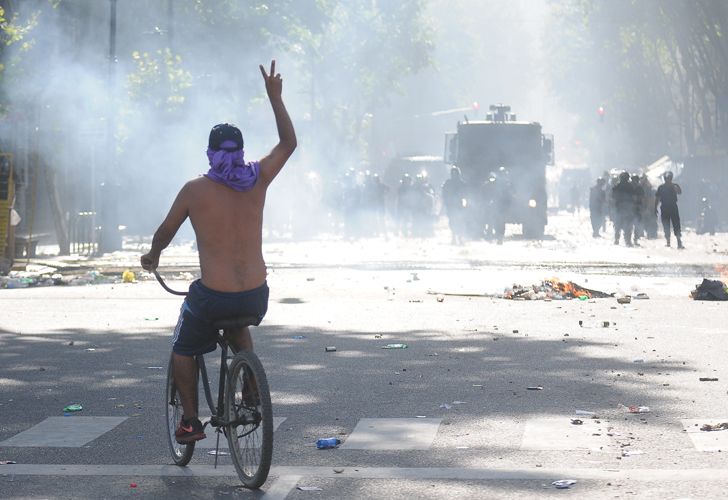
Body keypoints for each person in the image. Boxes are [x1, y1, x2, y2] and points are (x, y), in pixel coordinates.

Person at [140, 60, 296, 444]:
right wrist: (275, 99)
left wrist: (152, 256)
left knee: (182, 347)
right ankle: (251, 388)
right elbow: (289, 144)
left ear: (210, 154)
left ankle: (191, 421)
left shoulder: (195, 189)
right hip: (256, 295)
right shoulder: (257, 177)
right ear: (241, 151)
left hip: (213, 298)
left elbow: (164, 233)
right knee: (238, 322)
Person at [655, 171, 683, 248]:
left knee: (676, 224)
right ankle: (668, 241)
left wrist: (675, 187)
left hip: (673, 207)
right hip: (665, 208)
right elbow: (657, 198)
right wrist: (655, 208)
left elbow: (680, 192)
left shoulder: (674, 186)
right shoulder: (661, 187)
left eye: (669, 178)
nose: (668, 179)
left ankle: (679, 241)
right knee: (666, 225)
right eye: (667, 178)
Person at [441, 166, 467, 244]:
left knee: (460, 222)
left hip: (459, 205)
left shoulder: (462, 183)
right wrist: (446, 201)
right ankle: (454, 237)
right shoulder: (448, 183)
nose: (454, 175)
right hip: (451, 205)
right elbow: (444, 193)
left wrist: (465, 201)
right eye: (453, 173)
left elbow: (465, 193)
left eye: (455, 173)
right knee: (452, 222)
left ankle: (460, 237)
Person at [612, 171, 634, 246]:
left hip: (622, 209)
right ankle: (626, 240)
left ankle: (618, 239)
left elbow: (613, 197)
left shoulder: (617, 186)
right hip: (624, 209)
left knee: (619, 225)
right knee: (626, 226)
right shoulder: (630, 187)